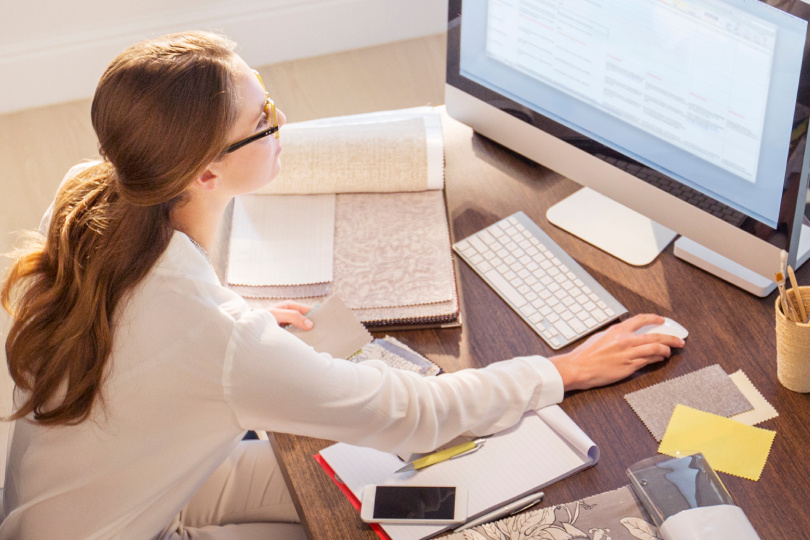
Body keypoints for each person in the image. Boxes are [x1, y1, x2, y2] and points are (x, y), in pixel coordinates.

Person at [0, 31, 684, 539]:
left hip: (117, 495)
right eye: (260, 119)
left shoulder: (91, 200)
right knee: (390, 478)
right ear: (204, 175)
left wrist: (234, 343)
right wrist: (563, 370)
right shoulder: (215, 335)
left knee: (341, 478)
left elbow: (156, 352)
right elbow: (413, 414)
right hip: (138, 520)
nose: (280, 120)